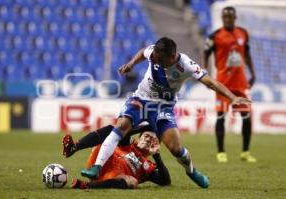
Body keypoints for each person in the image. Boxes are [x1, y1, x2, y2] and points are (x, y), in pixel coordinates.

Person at [82, 37, 251, 189]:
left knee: (176, 148)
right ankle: (97, 166)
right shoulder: (154, 53)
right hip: (140, 99)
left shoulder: (186, 65)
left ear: (172, 57)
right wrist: (131, 64)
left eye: (159, 59)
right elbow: (143, 52)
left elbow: (211, 82)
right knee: (122, 125)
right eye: (154, 56)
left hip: (164, 107)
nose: (155, 60)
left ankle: (191, 171)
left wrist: (232, 98)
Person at [204, 6, 257, 163]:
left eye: (230, 17)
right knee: (221, 116)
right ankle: (221, 152)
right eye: (225, 17)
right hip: (223, 84)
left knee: (246, 117)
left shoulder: (243, 33)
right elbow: (205, 54)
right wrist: (205, 74)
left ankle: (245, 152)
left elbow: (246, 54)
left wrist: (253, 73)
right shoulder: (215, 36)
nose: (227, 19)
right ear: (222, 18)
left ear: (235, 18)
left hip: (240, 83)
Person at [62, 124, 171, 189]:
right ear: (139, 138)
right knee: (112, 130)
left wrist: (156, 155)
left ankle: (87, 185)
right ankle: (74, 147)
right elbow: (124, 130)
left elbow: (165, 181)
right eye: (146, 136)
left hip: (114, 178)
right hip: (101, 163)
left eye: (152, 140)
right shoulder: (129, 143)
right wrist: (148, 125)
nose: (148, 140)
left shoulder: (147, 167)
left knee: (132, 181)